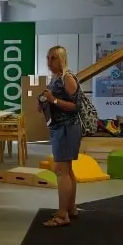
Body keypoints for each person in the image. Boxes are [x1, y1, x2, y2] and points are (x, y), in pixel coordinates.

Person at [40, 45, 81, 227]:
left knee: (61, 171)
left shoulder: (67, 78)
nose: (49, 62)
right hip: (59, 128)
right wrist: (44, 103)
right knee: (67, 170)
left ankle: (62, 215)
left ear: (62, 59)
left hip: (67, 128)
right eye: (48, 58)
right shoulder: (55, 78)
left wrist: (53, 100)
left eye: (54, 58)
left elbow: (75, 106)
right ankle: (70, 208)